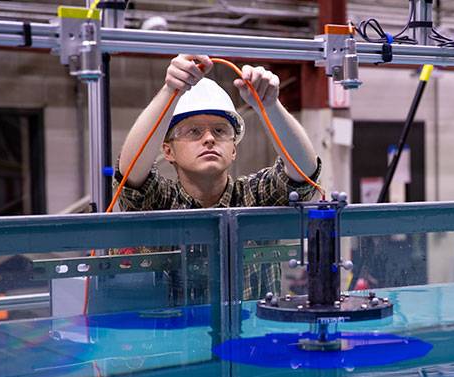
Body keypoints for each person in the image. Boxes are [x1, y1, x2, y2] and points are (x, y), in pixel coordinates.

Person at [113, 54, 321, 300]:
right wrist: (170, 91)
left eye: (220, 131)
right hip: (178, 336)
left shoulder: (253, 197)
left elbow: (304, 172)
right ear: (168, 151)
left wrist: (270, 106)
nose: (209, 138)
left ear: (233, 149)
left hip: (250, 337)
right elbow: (131, 175)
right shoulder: (162, 201)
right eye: (194, 131)